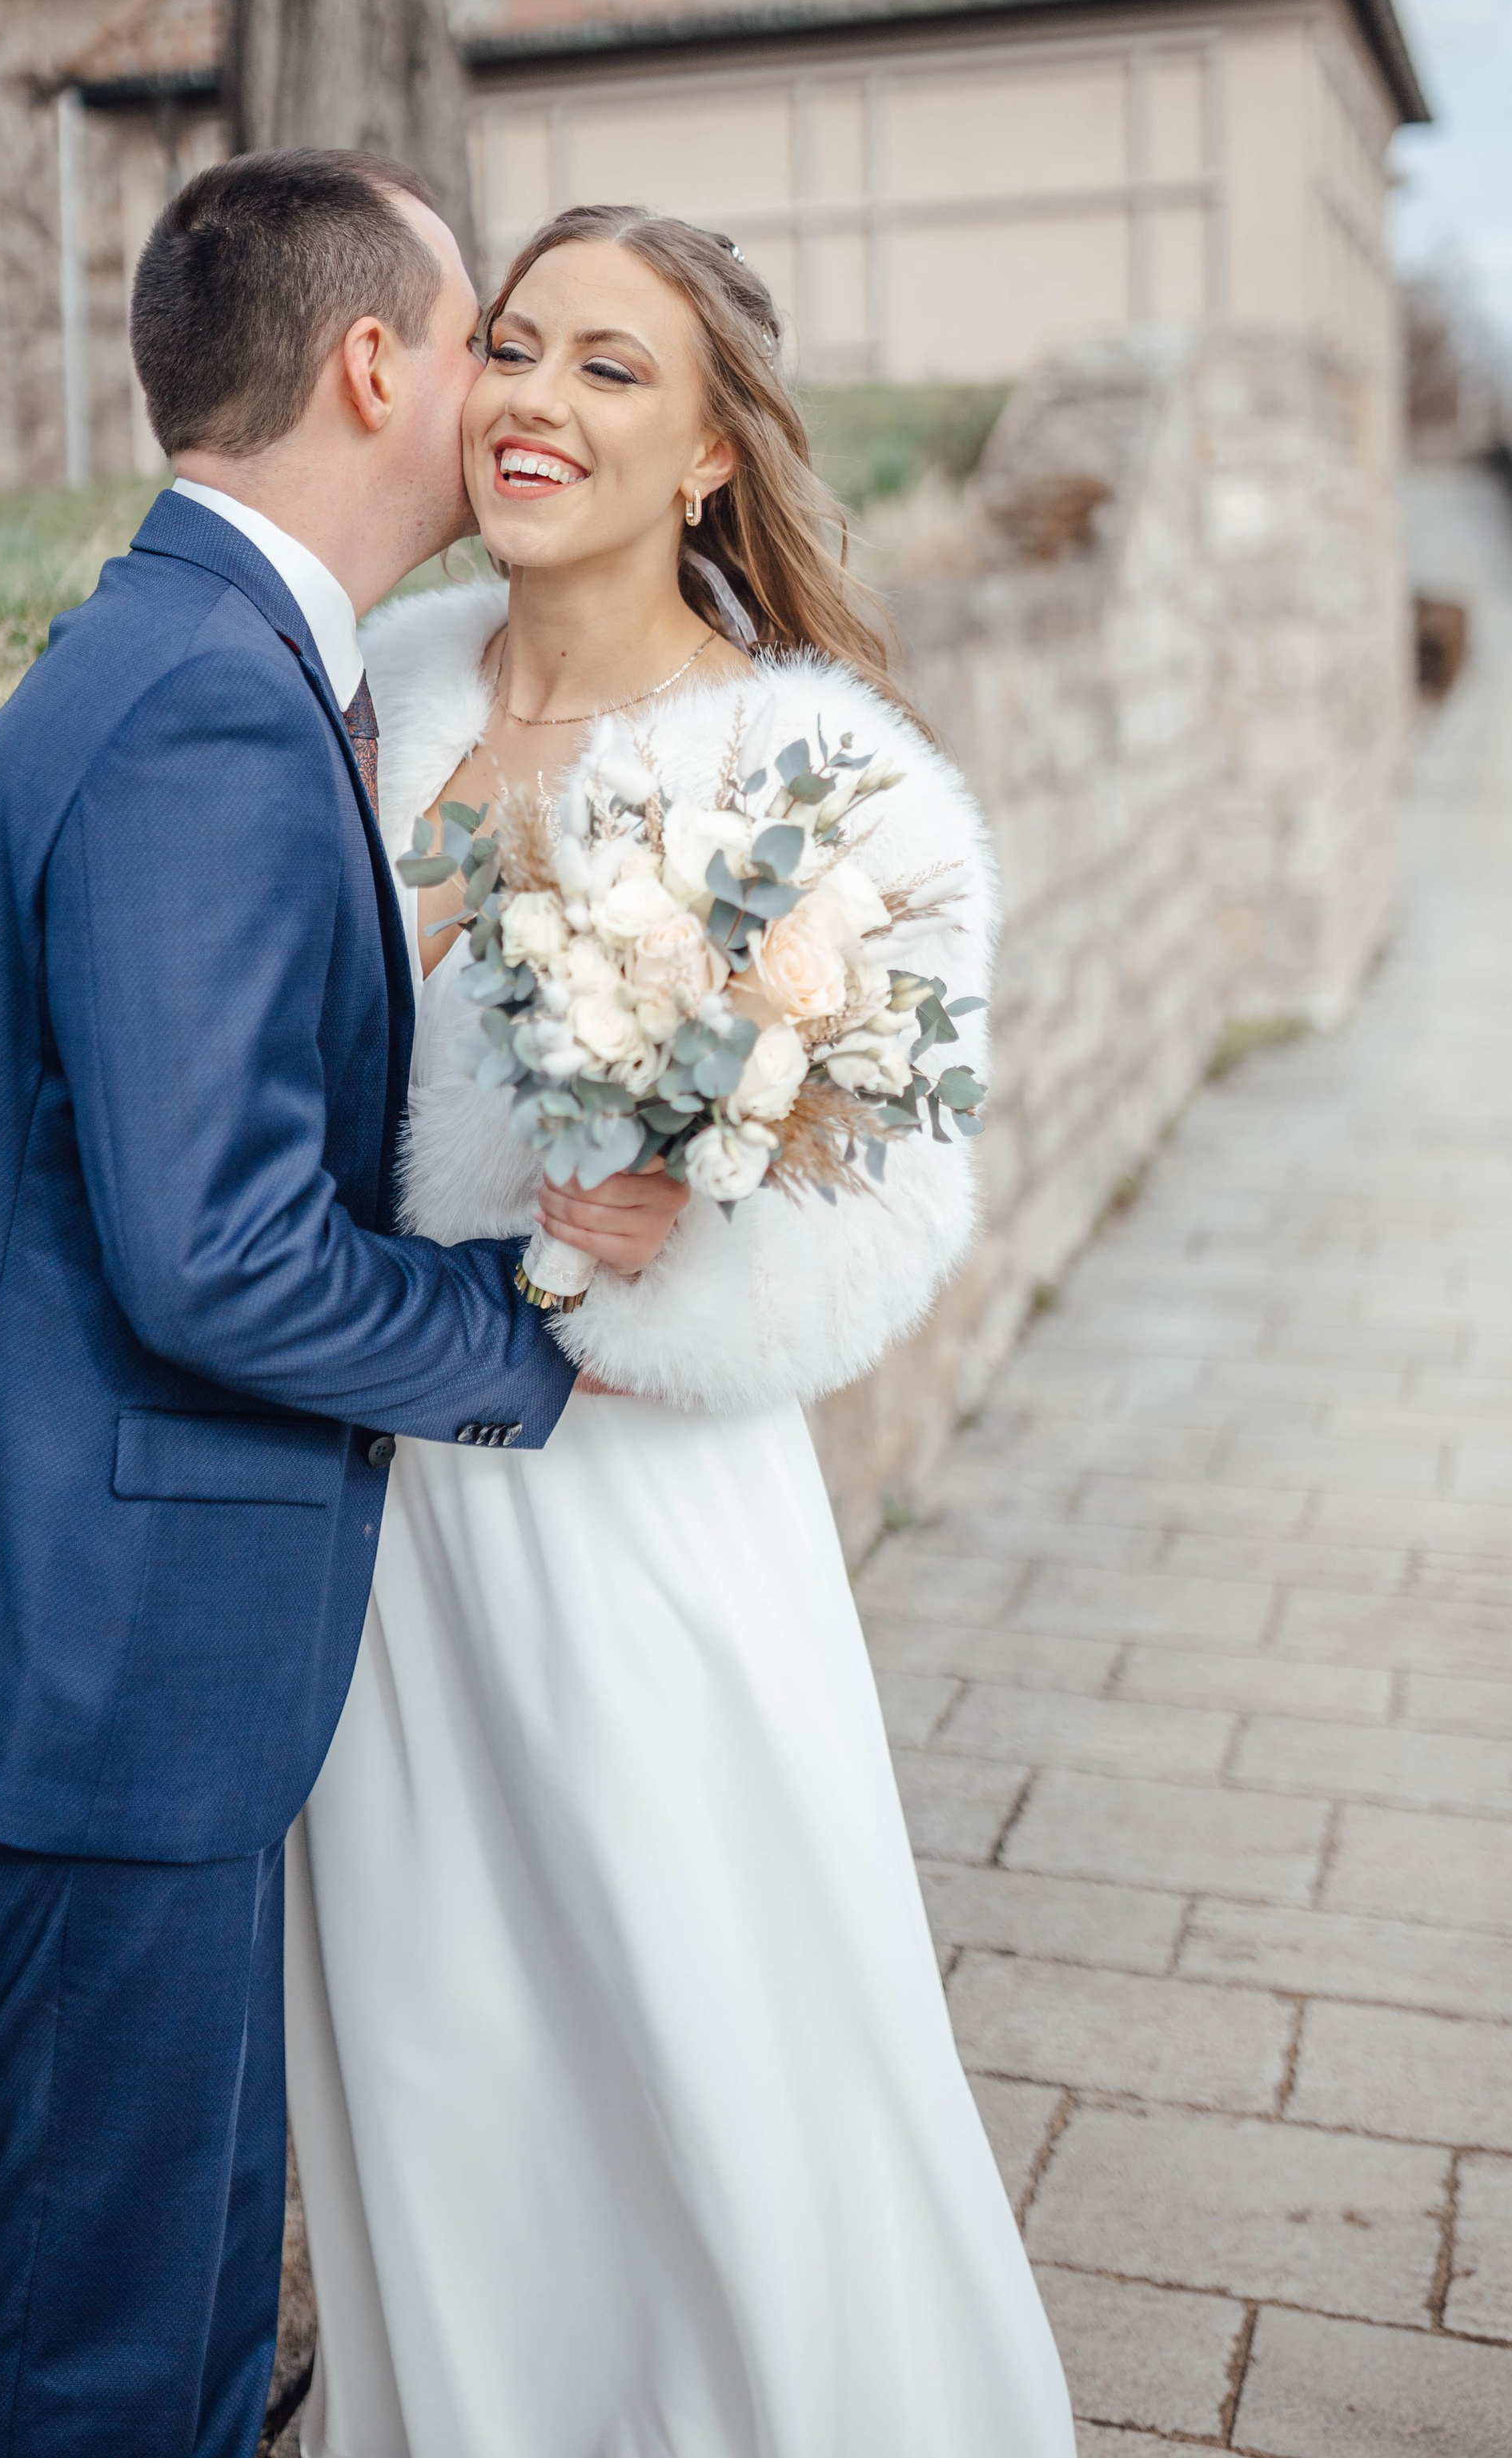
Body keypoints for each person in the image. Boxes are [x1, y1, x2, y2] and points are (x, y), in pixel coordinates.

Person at [0, 152, 688, 2458]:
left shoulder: (220, 652)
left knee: (186, 2318)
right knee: (117, 2355)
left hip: (122, 1658)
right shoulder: (208, 696)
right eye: (483, 328)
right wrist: (519, 1332)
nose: (509, 375)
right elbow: (215, 1247)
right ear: (371, 361)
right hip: (105, 1675)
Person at [286, 204, 1076, 2456]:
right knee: (451, 2083)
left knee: (713, 2067)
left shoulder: (815, 777)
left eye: (613, 371)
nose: (538, 401)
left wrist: (671, 1253)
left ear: (714, 452)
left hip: (642, 1524)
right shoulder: (379, 699)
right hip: (391, 1543)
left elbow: (895, 1198)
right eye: (515, 348)